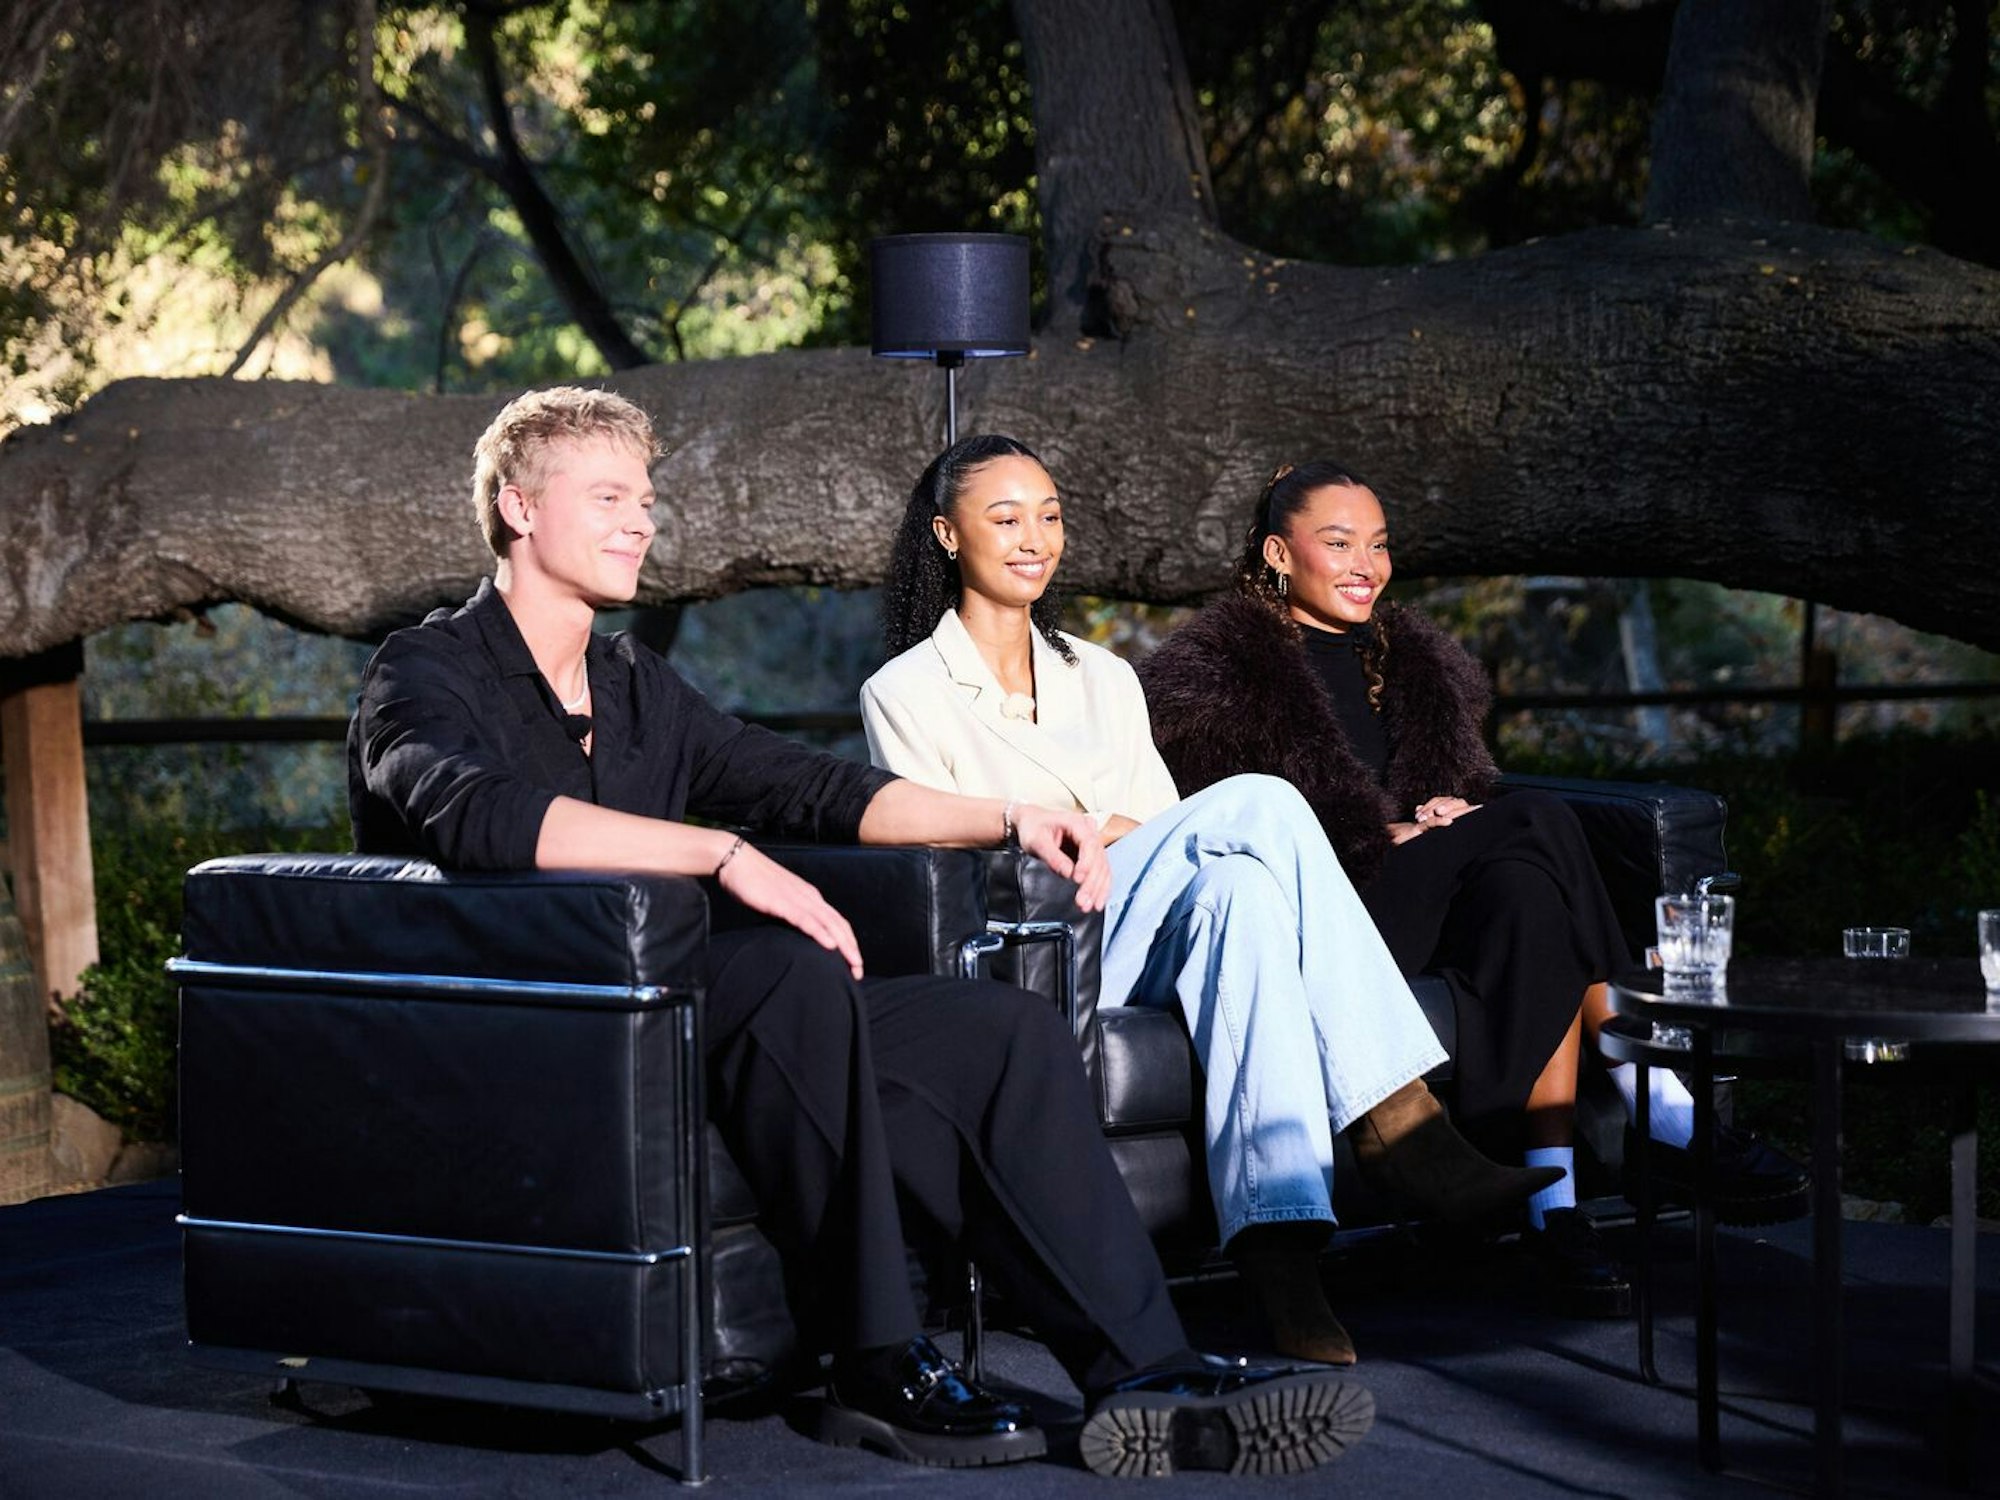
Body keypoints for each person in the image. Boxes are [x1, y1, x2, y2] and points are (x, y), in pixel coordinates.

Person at [347, 388, 1376, 1480]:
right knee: (782, 969)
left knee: (998, 1032)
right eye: (608, 498)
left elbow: (810, 787)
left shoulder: (635, 682)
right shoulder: (425, 669)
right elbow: (477, 816)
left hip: (686, 1012)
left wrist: (1010, 818)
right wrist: (720, 853)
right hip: (541, 1021)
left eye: (644, 500)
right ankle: (874, 1363)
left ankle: (1146, 1375)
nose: (641, 522)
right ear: (517, 508)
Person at [860, 434, 1560, 1366]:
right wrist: (1088, 825)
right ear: (949, 535)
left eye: (1050, 516)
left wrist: (1116, 830)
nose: (1035, 538)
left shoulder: (1102, 676)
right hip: (1032, 938)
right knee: (1260, 803)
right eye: (1007, 518)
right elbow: (937, 848)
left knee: (1240, 891)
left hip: (1135, 916)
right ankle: (1401, 1122)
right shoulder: (904, 691)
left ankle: (1281, 1255)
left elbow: (1165, 830)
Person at [1136, 460, 1811, 1270]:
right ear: (1279, 553)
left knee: (1531, 889)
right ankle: (1660, 1101)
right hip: (1327, 919)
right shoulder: (1214, 678)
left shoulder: (1417, 662)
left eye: (1379, 544)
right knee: (1538, 818)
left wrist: (1453, 812)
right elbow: (1226, 829)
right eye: (1339, 543)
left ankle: (1552, 1208)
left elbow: (1462, 792)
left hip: (1424, 897)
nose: (1366, 565)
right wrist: (1377, 833)